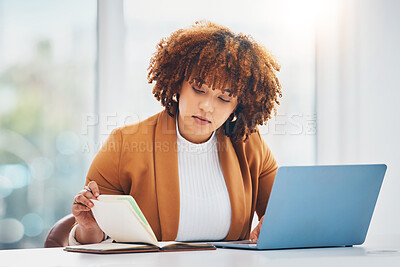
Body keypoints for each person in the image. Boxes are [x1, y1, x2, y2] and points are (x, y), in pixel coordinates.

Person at [69, 20, 282, 246]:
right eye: (199, 89)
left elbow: (284, 215)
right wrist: (88, 228)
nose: (207, 106)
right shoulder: (124, 144)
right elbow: (92, 239)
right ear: (177, 83)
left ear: (238, 106)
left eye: (224, 98)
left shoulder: (250, 146)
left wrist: (274, 225)